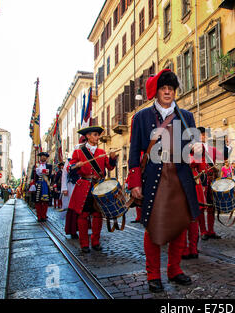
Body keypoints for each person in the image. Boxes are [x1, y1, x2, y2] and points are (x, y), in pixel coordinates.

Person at [127, 69, 201, 293]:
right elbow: (133, 153)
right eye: (163, 88)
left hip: (180, 178)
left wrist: (197, 149)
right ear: (157, 92)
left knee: (180, 226)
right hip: (154, 179)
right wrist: (135, 183)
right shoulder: (141, 118)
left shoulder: (187, 117)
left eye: (171, 88)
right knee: (154, 227)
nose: (168, 92)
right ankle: (153, 275)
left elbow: (193, 153)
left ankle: (175, 269)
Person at [67, 126, 117, 253]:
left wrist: (112, 158)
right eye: (95, 134)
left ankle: (95, 242)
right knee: (83, 216)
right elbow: (69, 168)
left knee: (97, 215)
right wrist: (75, 165)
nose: (97, 137)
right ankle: (84, 244)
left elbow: (110, 167)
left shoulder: (101, 152)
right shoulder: (78, 152)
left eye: (98, 135)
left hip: (98, 186)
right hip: (84, 186)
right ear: (88, 136)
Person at [195, 126, 223, 241]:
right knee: (201, 206)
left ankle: (211, 230)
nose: (203, 136)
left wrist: (218, 172)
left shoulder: (213, 149)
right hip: (201, 181)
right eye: (201, 134)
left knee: (212, 206)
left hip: (212, 181)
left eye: (204, 134)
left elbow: (220, 162)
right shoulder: (194, 149)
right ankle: (203, 231)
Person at [31, 152, 53, 222]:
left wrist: (41, 171)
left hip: (45, 184)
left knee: (45, 201)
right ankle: (39, 216)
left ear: (46, 158)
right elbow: (33, 176)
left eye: (45, 157)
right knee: (38, 201)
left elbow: (48, 173)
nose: (43, 158)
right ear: (40, 157)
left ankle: (44, 215)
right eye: (42, 156)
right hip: (38, 184)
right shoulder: (36, 166)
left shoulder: (49, 166)